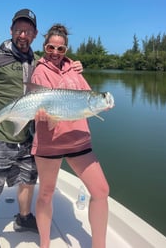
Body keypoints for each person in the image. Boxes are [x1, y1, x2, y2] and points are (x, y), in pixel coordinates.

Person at [0, 10, 83, 248]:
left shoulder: (37, 60)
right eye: (19, 29)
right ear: (11, 30)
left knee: (27, 181)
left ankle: (24, 218)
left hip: (27, 137)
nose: (23, 34)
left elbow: (59, 77)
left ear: (35, 34)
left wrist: (75, 66)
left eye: (28, 31)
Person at [31, 24, 109, 248]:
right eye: (50, 47)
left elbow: (87, 98)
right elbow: (35, 105)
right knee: (46, 194)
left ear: (66, 49)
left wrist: (101, 105)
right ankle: (45, 244)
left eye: (60, 48)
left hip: (78, 139)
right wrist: (41, 114)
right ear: (45, 46)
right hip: (50, 142)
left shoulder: (75, 70)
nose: (55, 52)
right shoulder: (39, 71)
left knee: (101, 191)